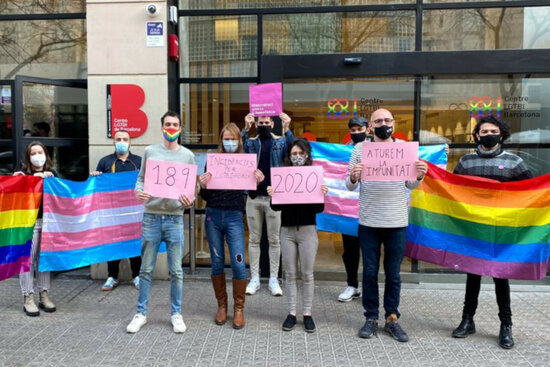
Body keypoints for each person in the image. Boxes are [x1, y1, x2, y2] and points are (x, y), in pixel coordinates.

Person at [346, 108, 428, 342]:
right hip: (369, 221)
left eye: (388, 120)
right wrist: (353, 176)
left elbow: (411, 184)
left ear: (394, 122)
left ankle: (392, 318)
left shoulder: (404, 149)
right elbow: (349, 185)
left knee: (393, 274)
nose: (384, 123)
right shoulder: (360, 149)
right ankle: (371, 317)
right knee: (370, 272)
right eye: (379, 121)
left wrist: (420, 175)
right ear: (370, 126)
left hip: (397, 221)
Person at [451, 116, 532, 349]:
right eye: (484, 131)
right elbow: (454, 190)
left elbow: (528, 193)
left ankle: (506, 326)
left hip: (501, 230)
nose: (488, 134)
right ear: (477, 135)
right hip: (474, 229)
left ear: (501, 134)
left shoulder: (514, 162)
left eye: (493, 130)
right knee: (472, 275)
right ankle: (467, 320)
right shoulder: (466, 162)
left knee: (500, 277)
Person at [126, 111, 195, 334]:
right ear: (162, 126)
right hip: (151, 217)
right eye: (168, 124)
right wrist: (138, 192)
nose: (171, 127)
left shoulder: (187, 155)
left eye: (175, 124)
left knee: (176, 271)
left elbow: (193, 187)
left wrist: (190, 199)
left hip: (175, 218)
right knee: (146, 269)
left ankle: (176, 313)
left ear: (181, 128)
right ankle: (141, 313)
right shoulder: (150, 151)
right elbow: (141, 179)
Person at [199, 123, 265, 329]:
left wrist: (258, 181)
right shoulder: (213, 162)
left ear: (239, 140)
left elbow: (252, 194)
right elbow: (205, 196)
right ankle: (221, 306)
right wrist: (203, 185)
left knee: (238, 261)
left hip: (235, 217)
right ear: (221, 140)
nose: (229, 142)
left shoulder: (246, 163)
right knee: (217, 261)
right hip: (213, 216)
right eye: (226, 138)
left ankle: (238, 308)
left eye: (233, 138)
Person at [267, 138, 328, 333]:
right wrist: (272, 194)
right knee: (290, 274)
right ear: (289, 156)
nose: (297, 157)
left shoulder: (314, 176)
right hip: (286, 231)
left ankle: (307, 314)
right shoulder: (284, 176)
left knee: (307, 274)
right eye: (294, 154)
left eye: (301, 154)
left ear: (307, 155)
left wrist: (321, 193)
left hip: (308, 230)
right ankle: (292, 313)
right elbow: (276, 206)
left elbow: (319, 208)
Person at [241, 113, 294, 296]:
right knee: (254, 239)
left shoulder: (280, 142)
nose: (263, 125)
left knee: (274, 240)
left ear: (272, 124)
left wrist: (287, 129)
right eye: (260, 122)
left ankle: (273, 278)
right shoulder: (250, 143)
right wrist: (245, 129)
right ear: (256, 123)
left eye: (266, 122)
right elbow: (238, 153)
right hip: (254, 197)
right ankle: (254, 278)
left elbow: (293, 151)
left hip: (274, 197)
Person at [90, 130, 142, 291]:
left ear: (130, 142)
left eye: (125, 139)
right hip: (112, 211)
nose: (122, 141)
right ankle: (112, 276)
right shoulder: (105, 162)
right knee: (113, 243)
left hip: (134, 211)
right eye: (118, 139)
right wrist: (95, 176)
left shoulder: (139, 162)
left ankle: (137, 276)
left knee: (135, 243)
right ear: (113, 142)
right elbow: (97, 186)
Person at [13, 142, 57, 316]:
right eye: (34, 153)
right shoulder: (22, 174)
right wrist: (19, 179)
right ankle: (28, 297)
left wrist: (49, 178)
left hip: (47, 223)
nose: (37, 155)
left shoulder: (52, 175)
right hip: (28, 224)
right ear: (28, 157)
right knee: (27, 260)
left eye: (40, 152)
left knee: (44, 260)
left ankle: (44, 294)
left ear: (46, 154)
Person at [338, 116, 372, 302]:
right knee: (349, 251)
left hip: (371, 208)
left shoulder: (379, 149)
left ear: (368, 129)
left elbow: (407, 155)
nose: (357, 132)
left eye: (360, 129)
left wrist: (439, 151)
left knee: (369, 250)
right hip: (348, 209)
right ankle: (352, 285)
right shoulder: (343, 151)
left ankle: (368, 288)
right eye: (353, 130)